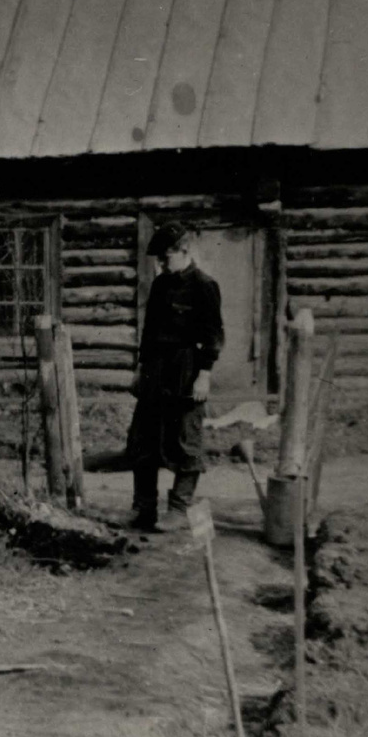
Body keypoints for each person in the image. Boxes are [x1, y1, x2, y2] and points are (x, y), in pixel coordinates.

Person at [127, 223, 224, 532]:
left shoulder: (204, 285)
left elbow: (212, 335)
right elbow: (149, 332)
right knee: (143, 439)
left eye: (164, 257)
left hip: (186, 367)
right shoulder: (159, 286)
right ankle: (144, 509)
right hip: (155, 368)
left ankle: (179, 509)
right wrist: (140, 369)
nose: (160, 263)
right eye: (157, 258)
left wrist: (204, 376)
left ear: (184, 252)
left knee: (185, 438)